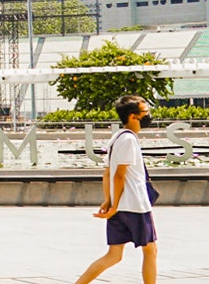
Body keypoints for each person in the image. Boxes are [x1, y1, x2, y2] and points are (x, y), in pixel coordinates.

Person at [74, 94, 158, 284]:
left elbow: (107, 174)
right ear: (133, 116)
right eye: (145, 112)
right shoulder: (129, 140)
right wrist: (113, 204)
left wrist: (110, 201)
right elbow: (119, 174)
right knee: (150, 250)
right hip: (135, 205)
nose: (148, 115)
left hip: (121, 205)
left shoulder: (117, 137)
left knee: (114, 255)